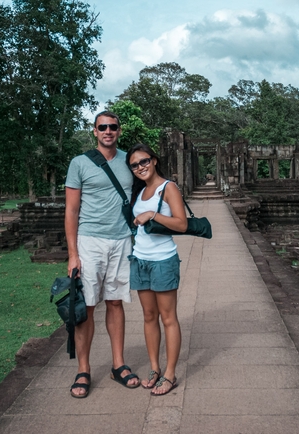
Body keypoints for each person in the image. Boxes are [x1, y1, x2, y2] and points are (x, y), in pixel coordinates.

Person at [64, 111, 140, 398]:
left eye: (113, 127)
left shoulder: (128, 160)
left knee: (116, 302)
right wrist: (73, 254)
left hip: (121, 240)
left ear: (119, 131)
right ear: (94, 131)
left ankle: (118, 364)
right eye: (102, 127)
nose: (108, 131)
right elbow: (71, 210)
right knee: (87, 308)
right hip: (90, 241)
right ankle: (84, 369)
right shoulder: (80, 163)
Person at [126, 143, 188, 396]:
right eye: (134, 165)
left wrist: (152, 214)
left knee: (168, 317)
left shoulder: (168, 187)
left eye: (144, 161)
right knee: (149, 316)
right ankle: (154, 368)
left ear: (154, 161)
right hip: (140, 260)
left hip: (163, 260)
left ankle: (170, 374)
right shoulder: (139, 191)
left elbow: (182, 224)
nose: (140, 167)